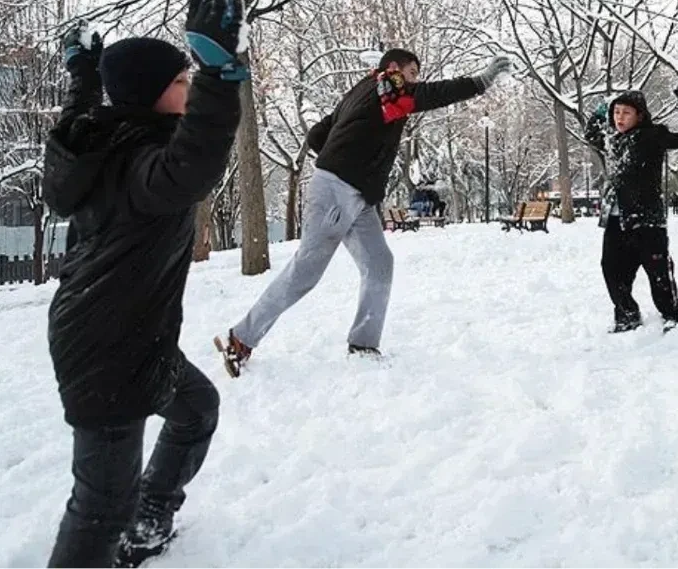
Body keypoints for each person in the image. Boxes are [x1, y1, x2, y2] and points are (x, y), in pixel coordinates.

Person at [43, 0, 247, 567]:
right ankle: (128, 524)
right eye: (180, 83)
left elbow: (80, 110)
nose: (187, 87)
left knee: (196, 408)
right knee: (101, 502)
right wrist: (217, 71)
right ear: (153, 97)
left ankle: (150, 517)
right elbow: (194, 162)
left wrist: (83, 69)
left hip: (127, 336)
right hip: (106, 349)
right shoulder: (143, 166)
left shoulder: (103, 138)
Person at [217, 50, 512, 374]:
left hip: (356, 195)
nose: (415, 81)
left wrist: (349, 152)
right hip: (338, 190)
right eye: (413, 72)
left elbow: (318, 134)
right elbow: (432, 94)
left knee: (378, 263)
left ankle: (363, 344)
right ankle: (241, 338)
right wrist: (481, 81)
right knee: (306, 272)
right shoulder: (390, 86)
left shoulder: (364, 90)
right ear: (394, 68)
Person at [583, 84, 678, 333]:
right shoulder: (612, 141)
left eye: (626, 113)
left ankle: (670, 313)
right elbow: (591, 133)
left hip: (647, 218)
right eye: (616, 113)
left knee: (657, 271)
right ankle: (627, 315)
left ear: (639, 115)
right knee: (612, 269)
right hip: (617, 217)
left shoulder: (652, 135)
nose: (620, 118)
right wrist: (602, 108)